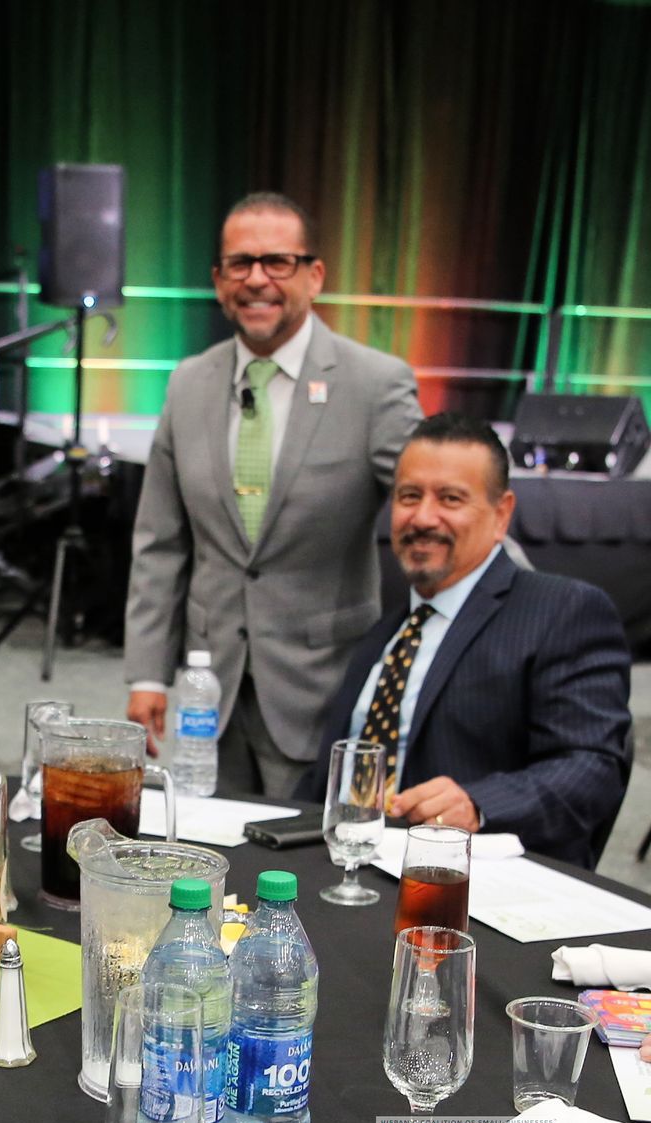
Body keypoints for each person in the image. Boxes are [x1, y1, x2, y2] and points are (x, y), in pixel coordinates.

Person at [125, 192, 424, 795]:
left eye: (277, 262)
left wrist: (517, 600)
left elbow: (437, 504)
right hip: (209, 698)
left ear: (314, 276)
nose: (257, 279)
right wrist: (147, 676)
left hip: (323, 688)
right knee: (207, 861)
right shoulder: (188, 383)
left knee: (307, 870)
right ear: (217, 281)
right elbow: (159, 543)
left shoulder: (374, 385)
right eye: (240, 264)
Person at [298, 415, 632, 869]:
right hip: (346, 872)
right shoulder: (386, 631)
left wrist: (477, 804)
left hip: (474, 892)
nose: (423, 517)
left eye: (450, 498)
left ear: (502, 514)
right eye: (409, 496)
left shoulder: (563, 611)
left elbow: (592, 769)